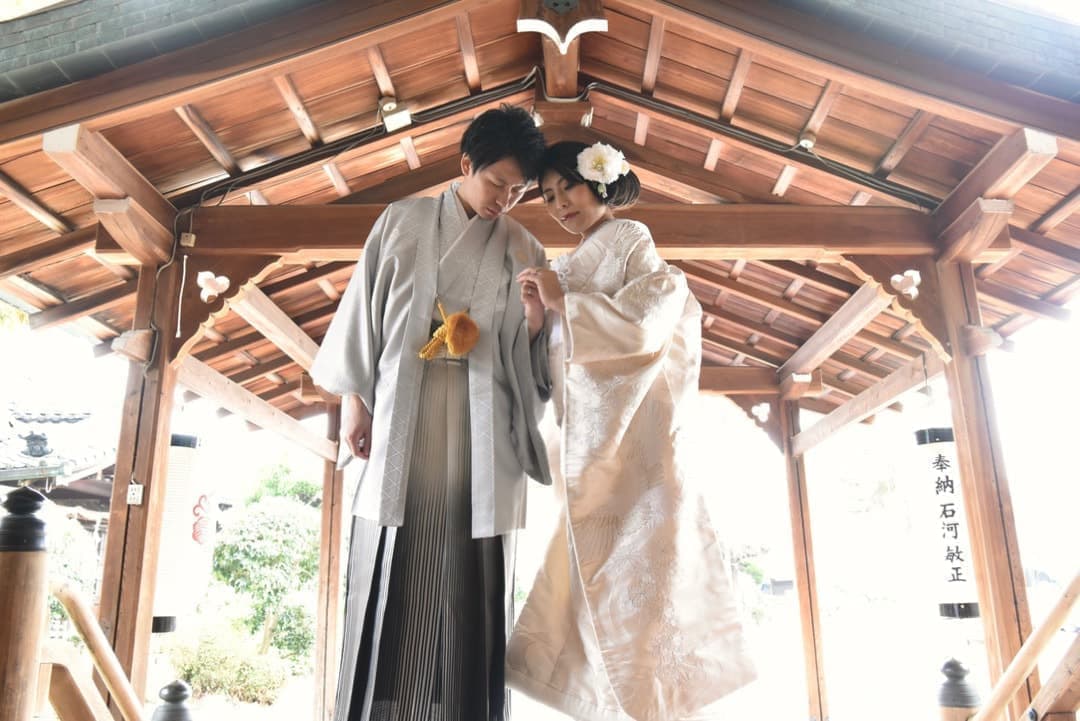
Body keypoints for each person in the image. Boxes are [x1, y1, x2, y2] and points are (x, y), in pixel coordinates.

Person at [310, 105, 553, 721]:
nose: (506, 198)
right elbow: (361, 320)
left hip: (482, 430)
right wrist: (354, 404)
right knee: (396, 562)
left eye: (518, 189)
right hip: (401, 419)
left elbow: (537, 361)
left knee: (467, 580)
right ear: (464, 164)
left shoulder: (525, 246)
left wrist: (533, 323)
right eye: (497, 182)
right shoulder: (402, 221)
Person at [507, 140, 757, 720]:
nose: (558, 204)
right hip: (592, 447)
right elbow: (559, 360)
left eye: (566, 187)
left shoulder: (629, 240)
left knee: (643, 578)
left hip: (637, 445)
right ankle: (625, 704)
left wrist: (566, 302)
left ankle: (656, 702)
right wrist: (540, 322)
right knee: (599, 580)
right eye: (545, 196)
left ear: (598, 182)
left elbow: (651, 317)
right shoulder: (563, 265)